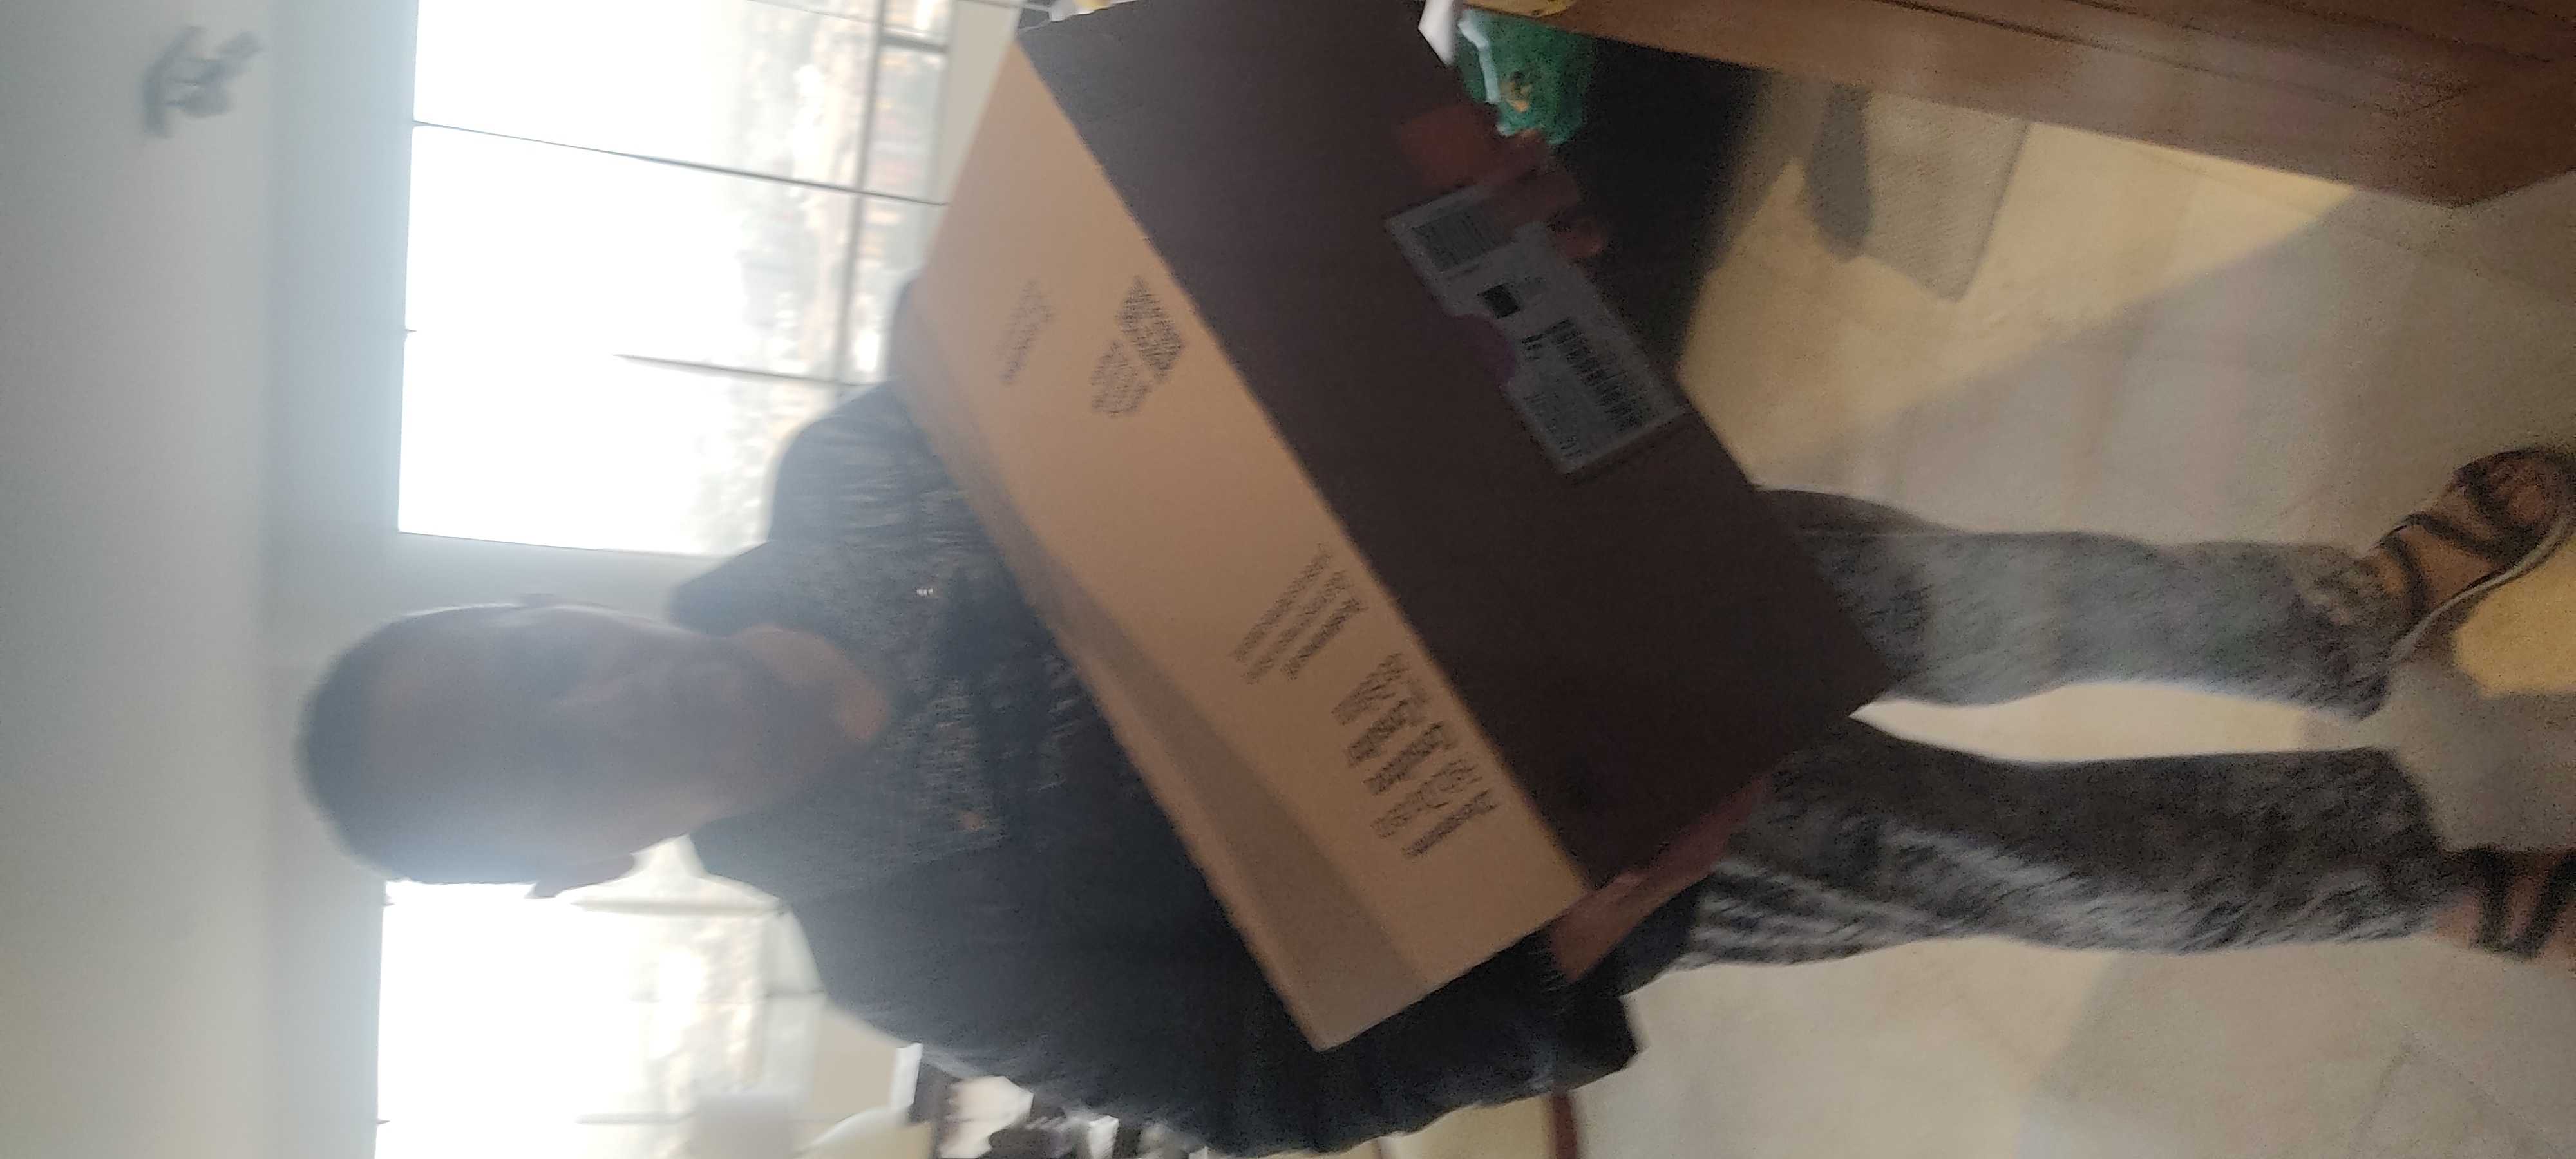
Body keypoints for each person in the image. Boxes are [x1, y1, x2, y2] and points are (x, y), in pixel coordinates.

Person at [300, 135, 2576, 1156]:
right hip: (1592, 842)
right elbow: (1259, 1096)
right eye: (543, 757)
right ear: (575, 869)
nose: (602, 696)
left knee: (1990, 594)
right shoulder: (908, 946)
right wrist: (1557, 962)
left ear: (546, 601)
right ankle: (2430, 885)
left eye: (535, 654)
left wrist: (1450, 235)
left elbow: (1181, 318)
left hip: (1570, 559)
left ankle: (2351, 612)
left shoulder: (852, 476)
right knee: (2027, 857)